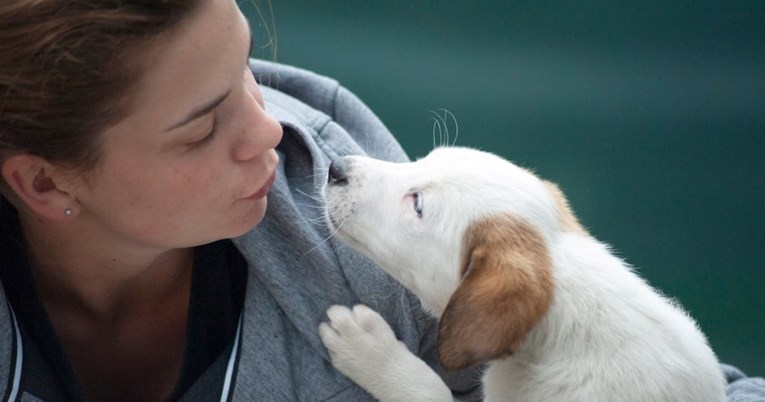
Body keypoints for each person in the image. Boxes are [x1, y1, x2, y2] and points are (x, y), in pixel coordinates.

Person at [0, 0, 761, 401]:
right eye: (202, 128)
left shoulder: (362, 266)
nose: (270, 128)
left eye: (245, 70)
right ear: (42, 182)